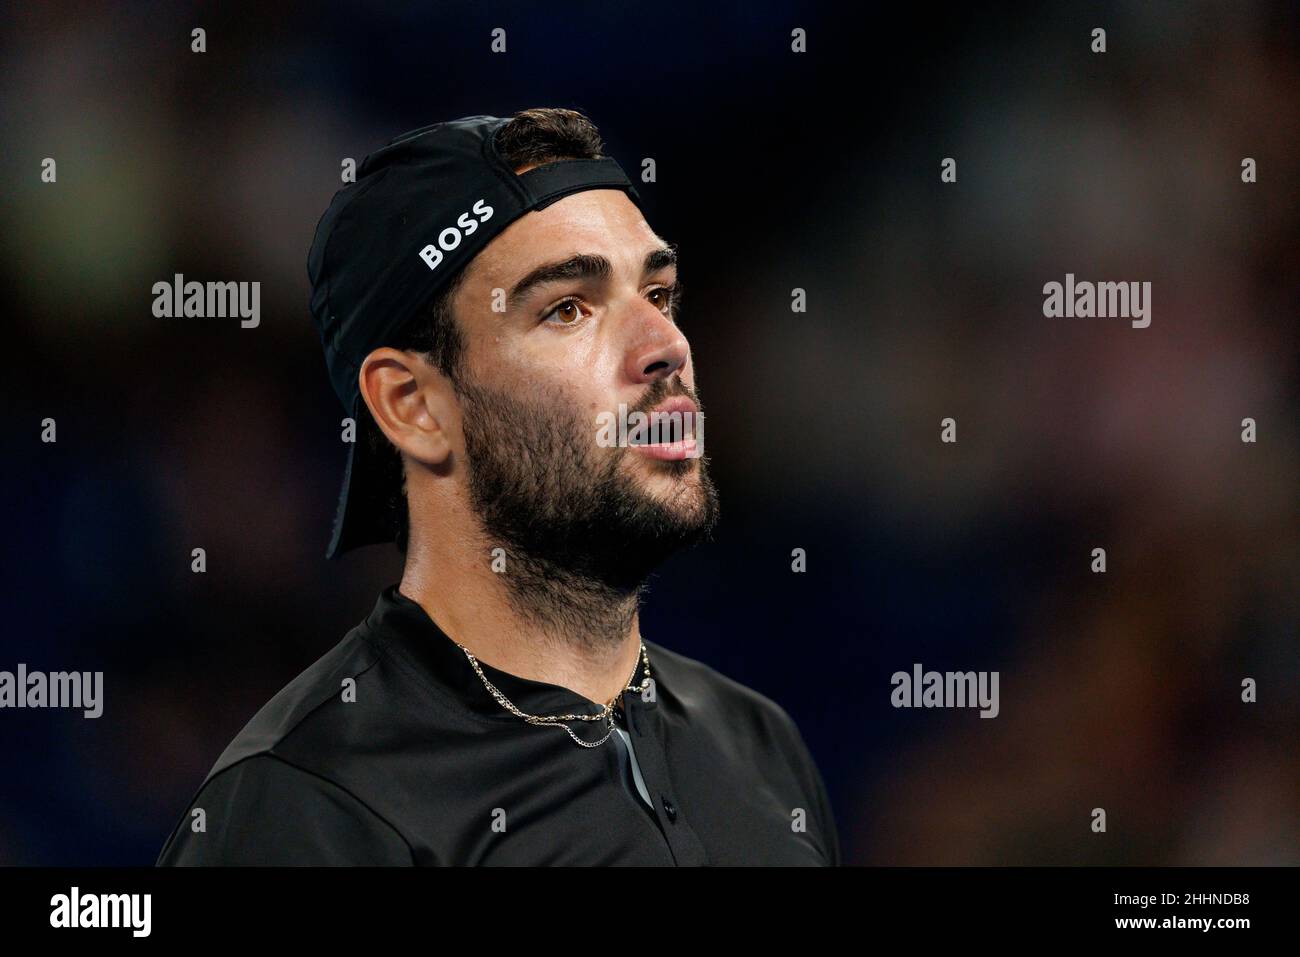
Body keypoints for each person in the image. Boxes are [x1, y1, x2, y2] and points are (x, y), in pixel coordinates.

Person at [157, 108, 839, 865]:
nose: (666, 347)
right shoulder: (308, 803)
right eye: (568, 309)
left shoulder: (761, 745)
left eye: (658, 294)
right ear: (413, 407)